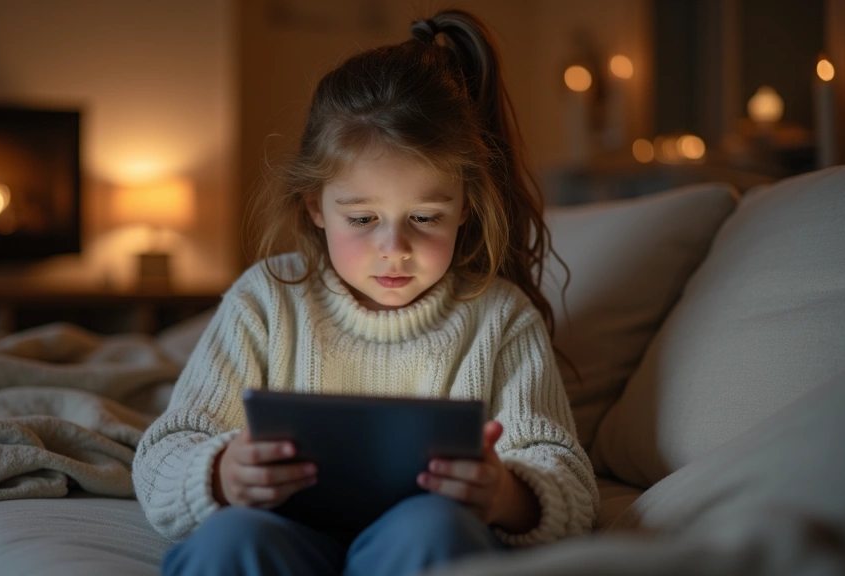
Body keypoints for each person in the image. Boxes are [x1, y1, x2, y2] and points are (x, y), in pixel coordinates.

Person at [133, 9, 599, 576]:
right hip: (280, 530)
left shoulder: (499, 317)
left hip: (420, 539)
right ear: (316, 206)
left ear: (465, 209)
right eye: (362, 219)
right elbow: (165, 451)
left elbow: (564, 474)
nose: (394, 247)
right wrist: (221, 472)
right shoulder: (267, 300)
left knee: (434, 529)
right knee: (229, 539)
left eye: (425, 217)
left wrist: (505, 492)